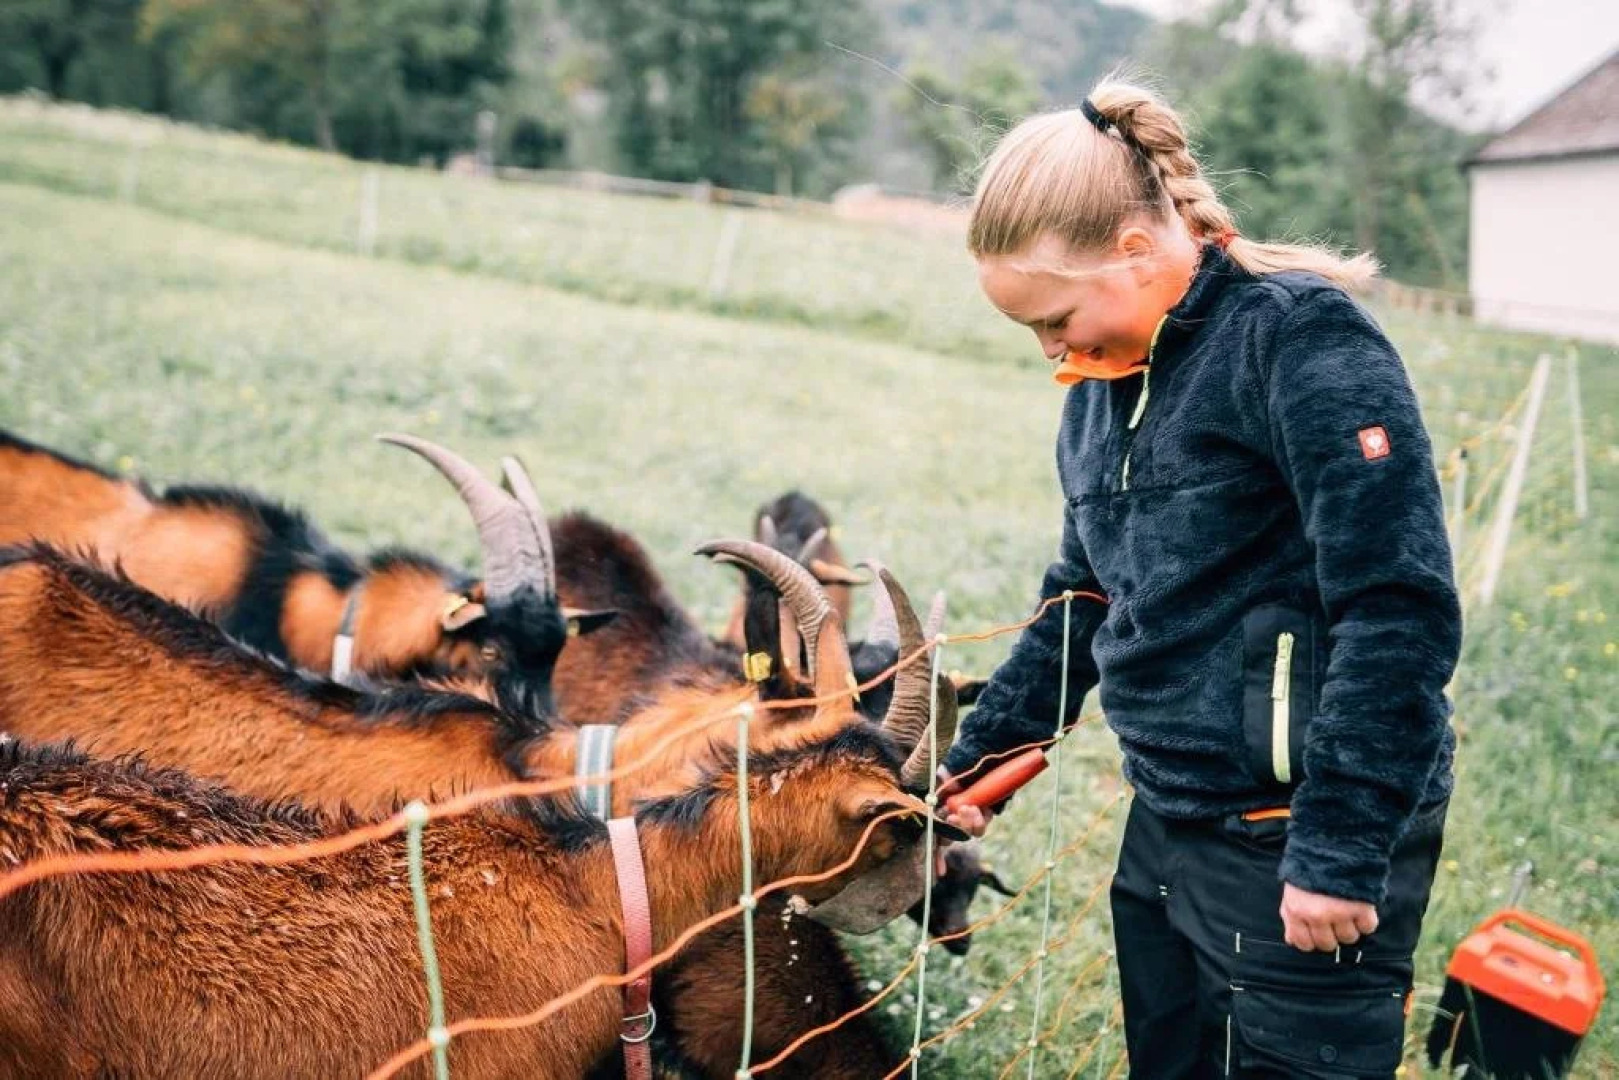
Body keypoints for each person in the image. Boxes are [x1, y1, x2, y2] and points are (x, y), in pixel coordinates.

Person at [936, 77, 1461, 1077]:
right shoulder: (1099, 386)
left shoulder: (1296, 340)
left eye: (1055, 314)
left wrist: (1339, 848)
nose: (1050, 348)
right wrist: (975, 763)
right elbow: (1084, 596)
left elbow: (1396, 606)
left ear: (1134, 252)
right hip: (1168, 823)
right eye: (1029, 331)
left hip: (1296, 840)